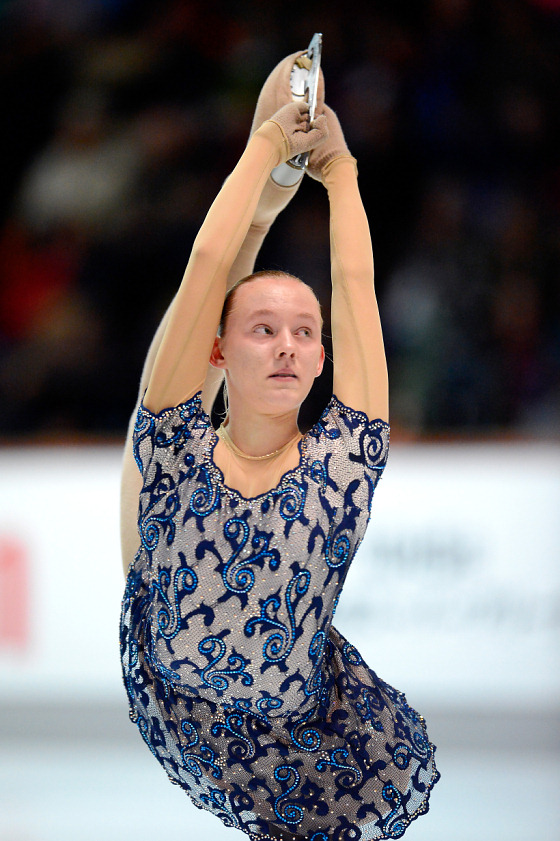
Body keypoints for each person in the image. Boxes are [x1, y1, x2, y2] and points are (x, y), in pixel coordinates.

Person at [119, 51, 439, 841]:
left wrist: (342, 170)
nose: (289, 346)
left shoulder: (345, 461)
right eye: (263, 330)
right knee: (167, 389)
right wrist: (264, 143)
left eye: (304, 333)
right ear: (224, 350)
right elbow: (204, 269)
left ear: (324, 356)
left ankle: (264, 209)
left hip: (300, 728)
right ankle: (258, 214)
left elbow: (355, 289)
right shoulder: (178, 445)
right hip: (170, 680)